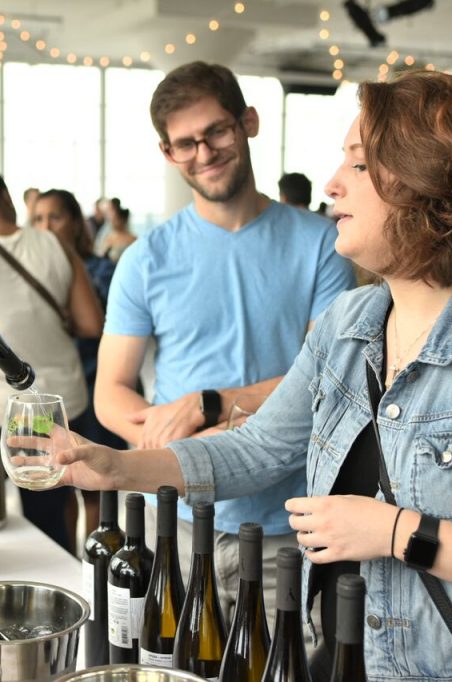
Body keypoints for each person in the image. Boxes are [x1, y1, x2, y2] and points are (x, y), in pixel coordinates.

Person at [56, 71, 452, 680]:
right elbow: (261, 447)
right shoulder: (351, 321)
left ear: (431, 180)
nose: (331, 184)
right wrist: (116, 467)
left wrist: (398, 532)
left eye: (359, 164)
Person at [96, 61, 355, 627]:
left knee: (286, 663)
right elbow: (111, 392)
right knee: (168, 663)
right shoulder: (146, 258)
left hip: (289, 522)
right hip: (178, 522)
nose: (204, 153)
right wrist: (183, 447)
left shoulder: (322, 244)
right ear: (168, 153)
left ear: (248, 123)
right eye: (185, 143)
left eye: (216, 131)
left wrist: (207, 406)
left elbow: (325, 381)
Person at [0, 170, 103, 551]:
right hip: (60, 406)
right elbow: (91, 323)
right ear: (5, 198)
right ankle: (63, 573)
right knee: (51, 522)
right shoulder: (53, 243)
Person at [32, 188, 126, 539]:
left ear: (75, 222)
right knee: (59, 480)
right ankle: (69, 554)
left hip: (96, 385)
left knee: (96, 486)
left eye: (54, 217)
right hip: (54, 391)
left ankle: (93, 556)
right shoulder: (37, 272)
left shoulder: (102, 269)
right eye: (38, 219)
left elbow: (107, 327)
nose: (46, 227)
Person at [96, 197, 136, 262]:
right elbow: (99, 253)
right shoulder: (109, 237)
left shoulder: (132, 239)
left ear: (123, 220)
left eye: (117, 219)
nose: (113, 222)